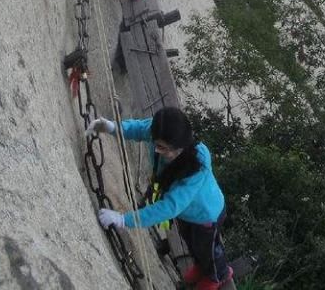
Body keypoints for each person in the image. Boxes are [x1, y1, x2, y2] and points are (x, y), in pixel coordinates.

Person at [88, 107, 233, 290]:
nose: (166, 153)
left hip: (207, 215)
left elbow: (169, 207)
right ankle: (200, 266)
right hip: (188, 214)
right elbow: (138, 129)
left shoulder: (197, 166)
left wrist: (124, 220)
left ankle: (218, 275)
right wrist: (112, 127)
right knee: (192, 243)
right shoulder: (158, 132)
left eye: (170, 149)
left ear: (183, 144)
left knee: (209, 250)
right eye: (160, 146)